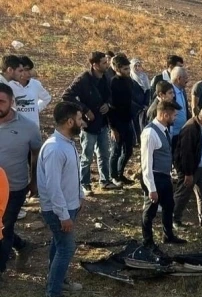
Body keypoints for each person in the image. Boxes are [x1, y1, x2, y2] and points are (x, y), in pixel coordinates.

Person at [36, 102, 85, 297]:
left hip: (69, 206)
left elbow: (71, 174)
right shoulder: (55, 148)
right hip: (58, 210)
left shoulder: (67, 142)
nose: (83, 122)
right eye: (80, 118)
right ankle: (52, 294)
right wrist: (63, 215)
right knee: (66, 248)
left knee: (58, 245)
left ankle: (58, 278)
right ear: (70, 121)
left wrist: (80, 194)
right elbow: (53, 187)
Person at [0, 83, 42, 284]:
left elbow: (36, 154)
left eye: (1, 101)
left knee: (5, 228)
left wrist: (34, 181)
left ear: (12, 102)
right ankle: (22, 245)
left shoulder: (28, 127)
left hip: (14, 188)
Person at [61, 51, 117, 193]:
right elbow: (67, 96)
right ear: (94, 64)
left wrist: (108, 105)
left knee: (104, 153)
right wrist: (84, 110)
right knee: (87, 156)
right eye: (104, 63)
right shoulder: (83, 79)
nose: (107, 65)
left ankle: (105, 180)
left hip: (103, 123)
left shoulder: (106, 78)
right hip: (88, 125)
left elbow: (111, 96)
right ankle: (84, 184)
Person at [140, 100, 186, 247]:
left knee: (168, 206)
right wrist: (152, 189)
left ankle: (168, 235)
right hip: (155, 177)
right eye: (174, 115)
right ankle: (147, 241)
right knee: (150, 211)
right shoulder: (150, 133)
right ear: (165, 115)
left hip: (164, 177)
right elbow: (146, 163)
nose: (175, 118)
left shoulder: (164, 130)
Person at [172, 105, 202, 227]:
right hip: (190, 169)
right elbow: (186, 154)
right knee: (183, 194)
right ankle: (174, 219)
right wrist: (188, 174)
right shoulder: (190, 129)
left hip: (200, 168)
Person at [108, 55, 136, 187]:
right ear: (117, 68)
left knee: (128, 150)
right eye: (125, 69)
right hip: (116, 122)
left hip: (127, 120)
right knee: (116, 150)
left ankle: (120, 173)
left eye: (128, 68)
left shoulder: (129, 81)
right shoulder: (113, 83)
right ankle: (113, 176)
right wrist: (112, 127)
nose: (128, 71)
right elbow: (110, 107)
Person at [9, 56, 53, 128]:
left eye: (30, 69)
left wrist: (37, 108)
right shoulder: (10, 85)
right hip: (15, 127)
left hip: (33, 126)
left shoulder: (35, 84)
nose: (29, 73)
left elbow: (46, 98)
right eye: (26, 70)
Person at [129, 58, 151, 143]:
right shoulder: (130, 79)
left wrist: (145, 104)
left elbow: (148, 90)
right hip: (134, 107)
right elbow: (130, 95)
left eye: (139, 65)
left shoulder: (144, 77)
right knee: (135, 125)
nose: (138, 68)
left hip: (143, 107)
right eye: (135, 66)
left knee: (143, 124)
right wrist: (139, 106)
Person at [169, 66, 191, 146]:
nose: (187, 80)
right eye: (185, 78)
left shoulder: (182, 90)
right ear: (179, 78)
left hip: (182, 132)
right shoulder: (168, 91)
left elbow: (185, 109)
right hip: (172, 134)